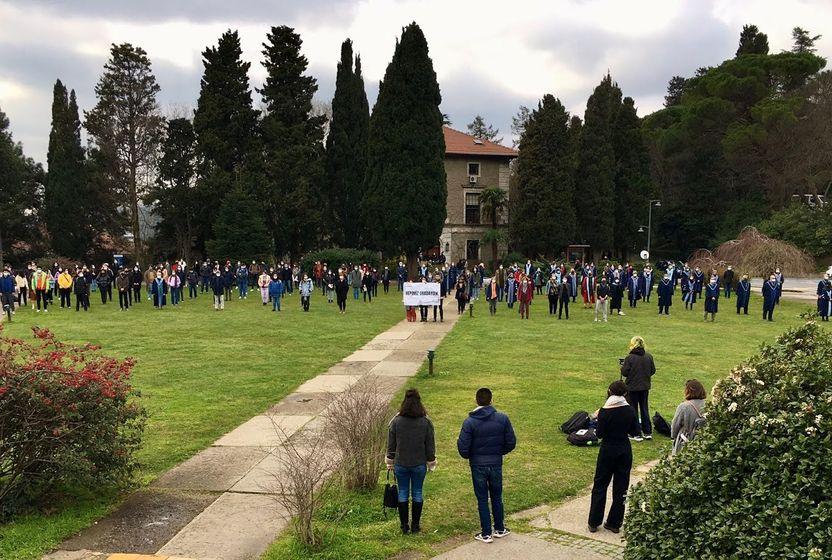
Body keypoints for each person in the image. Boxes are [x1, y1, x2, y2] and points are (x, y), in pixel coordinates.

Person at [456, 388, 516, 544]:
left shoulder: (469, 422)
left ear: (476, 400)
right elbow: (511, 442)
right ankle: (500, 528)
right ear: (491, 400)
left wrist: (473, 456)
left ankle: (486, 533)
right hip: (495, 463)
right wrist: (498, 452)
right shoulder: (502, 419)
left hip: (478, 465)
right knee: (497, 496)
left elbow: (463, 447)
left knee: (482, 498)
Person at [587, 380, 639, 534]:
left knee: (600, 485)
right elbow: (635, 431)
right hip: (624, 448)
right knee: (621, 486)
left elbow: (600, 434)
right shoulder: (630, 410)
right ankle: (614, 522)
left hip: (608, 449)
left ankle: (594, 521)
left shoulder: (604, 411)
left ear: (610, 392)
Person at [386, 389, 437, 534]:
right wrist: (431, 462)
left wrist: (389, 462)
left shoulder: (396, 422)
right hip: (419, 464)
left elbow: (391, 446)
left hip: (401, 463)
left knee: (402, 492)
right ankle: (415, 525)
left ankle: (404, 525)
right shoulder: (425, 422)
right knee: (417, 493)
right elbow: (430, 445)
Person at [620, 336, 655, 441]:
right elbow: (653, 370)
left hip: (632, 387)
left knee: (633, 409)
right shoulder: (649, 356)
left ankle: (636, 433)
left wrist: (622, 368)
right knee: (644, 408)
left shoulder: (630, 358)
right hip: (645, 386)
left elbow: (625, 372)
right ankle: (647, 431)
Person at [671, 379, 707, 455]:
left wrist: (674, 437)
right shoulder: (707, 405)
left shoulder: (684, 406)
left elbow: (675, 425)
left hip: (685, 440)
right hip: (703, 441)